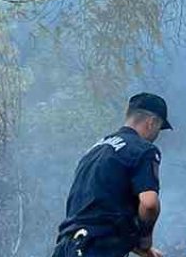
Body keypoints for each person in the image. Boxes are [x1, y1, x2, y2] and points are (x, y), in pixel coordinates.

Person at [52, 93, 171, 257]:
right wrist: (145, 239)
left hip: (66, 247)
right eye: (159, 128)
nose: (157, 135)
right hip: (96, 249)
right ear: (152, 122)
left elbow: (98, 215)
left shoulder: (95, 151)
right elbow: (149, 204)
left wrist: (139, 248)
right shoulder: (142, 149)